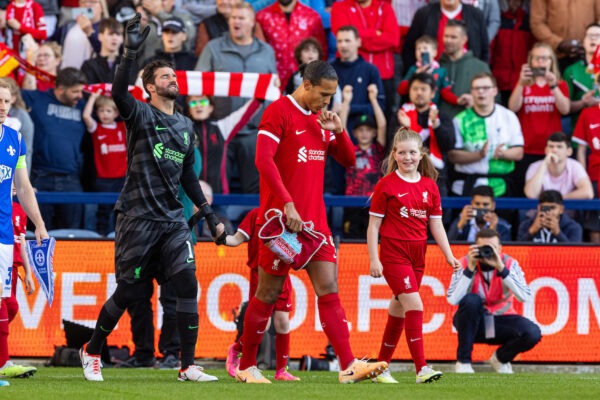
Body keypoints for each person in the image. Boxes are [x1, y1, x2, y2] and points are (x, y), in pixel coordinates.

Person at [79, 13, 225, 383]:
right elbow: (115, 94)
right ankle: (92, 349)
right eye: (165, 78)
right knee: (130, 291)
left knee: (187, 283)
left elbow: (188, 174)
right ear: (149, 87)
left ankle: (186, 366)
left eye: (174, 77)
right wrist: (130, 51)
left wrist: (208, 214)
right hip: (137, 217)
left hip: (173, 220)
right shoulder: (139, 113)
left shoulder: (185, 124)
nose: (173, 81)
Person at [235, 60, 387, 383]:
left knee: (329, 288)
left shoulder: (321, 119)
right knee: (267, 293)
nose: (327, 102)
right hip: (282, 222)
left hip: (315, 224)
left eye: (331, 96)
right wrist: (287, 203)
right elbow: (262, 160)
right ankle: (247, 366)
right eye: (323, 94)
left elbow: (347, 159)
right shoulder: (279, 111)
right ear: (306, 85)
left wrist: (338, 130)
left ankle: (348, 366)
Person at [367, 127, 461, 384]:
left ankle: (380, 368)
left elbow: (436, 224)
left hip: (418, 255)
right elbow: (373, 226)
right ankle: (421, 368)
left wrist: (449, 255)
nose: (407, 157)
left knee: (398, 310)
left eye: (412, 152)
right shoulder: (385, 185)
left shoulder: (430, 186)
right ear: (394, 155)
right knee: (415, 305)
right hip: (393, 254)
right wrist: (374, 259)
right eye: (402, 153)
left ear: (420, 155)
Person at [196, 1, 277, 194]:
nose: (236, 22)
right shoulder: (213, 48)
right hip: (221, 131)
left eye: (241, 18)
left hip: (255, 132)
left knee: (257, 190)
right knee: (216, 189)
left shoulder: (267, 51)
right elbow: (198, 87)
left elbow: (274, 90)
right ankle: (217, 225)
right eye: (233, 18)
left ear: (252, 23)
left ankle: (256, 224)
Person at [0, 78, 48, 385]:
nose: (2, 107)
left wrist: (39, 224)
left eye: (6, 101)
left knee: (4, 302)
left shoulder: (14, 138)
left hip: (3, 235)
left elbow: (24, 186)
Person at [447, 228, 541, 374]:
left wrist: (501, 267)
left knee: (533, 333)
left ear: (500, 249)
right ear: (474, 248)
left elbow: (524, 297)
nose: (488, 252)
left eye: (492, 248)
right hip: (473, 323)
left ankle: (500, 358)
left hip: (500, 322)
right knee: (471, 300)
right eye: (484, 248)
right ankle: (463, 362)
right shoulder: (464, 262)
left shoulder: (509, 263)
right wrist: (470, 268)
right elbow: (453, 300)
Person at [224, 207, 299, 381]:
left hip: (282, 273)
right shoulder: (255, 214)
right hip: (261, 273)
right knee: (262, 325)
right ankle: (236, 349)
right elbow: (236, 239)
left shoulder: (291, 214)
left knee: (282, 322)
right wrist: (222, 238)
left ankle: (281, 371)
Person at [22, 67, 87, 230]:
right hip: (40, 177)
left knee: (72, 236)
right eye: (75, 91)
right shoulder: (37, 98)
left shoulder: (82, 106)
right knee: (38, 233)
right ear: (60, 89)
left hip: (71, 179)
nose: (80, 96)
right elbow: (10, 94)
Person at [508, 43, 570, 194]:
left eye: (544, 58)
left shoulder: (560, 84)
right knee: (526, 191)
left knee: (549, 191)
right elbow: (513, 108)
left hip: (552, 148)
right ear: (530, 61)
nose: (541, 62)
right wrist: (521, 83)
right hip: (527, 147)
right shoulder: (523, 83)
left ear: (551, 61)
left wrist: (553, 86)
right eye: (537, 58)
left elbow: (565, 109)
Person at [448, 72, 524, 197]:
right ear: (471, 92)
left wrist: (502, 154)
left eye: (485, 88)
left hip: (501, 187)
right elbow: (453, 156)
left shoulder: (508, 116)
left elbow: (519, 152)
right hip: (467, 188)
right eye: (476, 88)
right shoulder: (459, 119)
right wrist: (479, 155)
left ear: (495, 91)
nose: (481, 92)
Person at [330, 0, 399, 116]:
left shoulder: (385, 7)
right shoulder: (339, 7)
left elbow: (393, 39)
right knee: (345, 118)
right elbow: (343, 35)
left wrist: (361, 39)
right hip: (348, 71)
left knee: (383, 118)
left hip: (383, 74)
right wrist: (374, 33)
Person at [188, 95, 260, 195]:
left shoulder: (222, 127)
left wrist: (262, 93)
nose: (198, 106)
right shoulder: (183, 130)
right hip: (191, 196)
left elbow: (247, 111)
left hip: (219, 196)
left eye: (203, 102)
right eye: (193, 103)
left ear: (211, 108)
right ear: (189, 109)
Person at [397, 72, 455, 196]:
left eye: (423, 89)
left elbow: (449, 145)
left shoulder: (442, 116)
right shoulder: (401, 115)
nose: (419, 93)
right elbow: (393, 147)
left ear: (433, 93)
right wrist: (406, 128)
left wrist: (436, 125)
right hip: (406, 176)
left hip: (436, 177)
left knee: (438, 214)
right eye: (415, 89)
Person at [341, 84, 386, 239]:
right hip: (352, 202)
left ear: (373, 133)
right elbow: (341, 127)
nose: (364, 133)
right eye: (360, 130)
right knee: (352, 239)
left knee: (374, 238)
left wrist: (373, 99)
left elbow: (382, 125)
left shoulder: (378, 150)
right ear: (355, 133)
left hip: (374, 203)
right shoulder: (350, 149)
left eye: (368, 130)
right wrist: (346, 101)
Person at [0, 192, 37, 379]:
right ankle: (4, 363)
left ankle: (3, 360)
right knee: (6, 306)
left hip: (12, 267)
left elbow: (22, 242)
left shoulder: (20, 211)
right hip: (2, 262)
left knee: (11, 308)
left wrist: (28, 272)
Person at [81, 92, 127, 235]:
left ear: (116, 113)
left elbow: (131, 114)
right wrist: (93, 98)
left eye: (109, 111)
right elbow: (86, 116)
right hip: (102, 180)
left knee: (119, 212)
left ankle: (116, 238)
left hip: (121, 180)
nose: (105, 114)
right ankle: (102, 239)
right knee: (102, 212)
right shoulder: (97, 129)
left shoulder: (122, 128)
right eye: (101, 110)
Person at [256, 0, 327, 89]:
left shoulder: (312, 16)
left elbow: (321, 52)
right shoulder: (262, 17)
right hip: (273, 86)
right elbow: (258, 53)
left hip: (304, 88)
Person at [403, 0, 489, 70]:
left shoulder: (476, 15)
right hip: (432, 75)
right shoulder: (424, 14)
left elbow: (484, 49)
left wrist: (479, 72)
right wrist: (417, 73)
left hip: (467, 73)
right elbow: (409, 47)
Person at [330, 25, 384, 133]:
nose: (343, 45)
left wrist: (349, 108)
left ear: (358, 42)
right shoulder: (328, 69)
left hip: (363, 137)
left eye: (347, 40)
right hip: (333, 132)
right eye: (339, 41)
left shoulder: (371, 70)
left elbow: (380, 106)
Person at [438, 19, 491, 117]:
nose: (448, 40)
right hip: (439, 126)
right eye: (446, 36)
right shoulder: (435, 66)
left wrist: (476, 101)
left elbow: (494, 98)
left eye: (453, 37)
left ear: (464, 39)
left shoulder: (480, 67)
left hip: (469, 126)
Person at [529, 0, 600, 71]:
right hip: (554, 56)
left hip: (588, 56)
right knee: (554, 81)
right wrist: (558, 44)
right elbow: (537, 23)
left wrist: (588, 44)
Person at [524, 132, 594, 200]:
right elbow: (531, 194)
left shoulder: (575, 166)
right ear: (545, 150)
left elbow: (588, 193)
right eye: (551, 146)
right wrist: (544, 164)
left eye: (559, 147)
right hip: (541, 211)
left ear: (569, 151)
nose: (554, 150)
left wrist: (557, 200)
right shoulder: (535, 166)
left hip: (566, 211)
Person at [490, 0, 534, 105]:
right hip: (500, 80)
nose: (515, 4)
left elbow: (533, 51)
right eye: (511, 1)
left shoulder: (528, 23)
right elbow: (491, 51)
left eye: (518, 1)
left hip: (522, 79)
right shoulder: (499, 21)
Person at [396, 35, 458, 107]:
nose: (421, 51)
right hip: (414, 109)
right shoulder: (413, 69)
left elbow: (445, 92)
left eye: (425, 48)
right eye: (418, 49)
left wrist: (457, 100)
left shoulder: (441, 71)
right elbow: (401, 90)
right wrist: (416, 75)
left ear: (434, 52)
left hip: (433, 110)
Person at [194, 0, 265, 57]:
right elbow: (203, 58)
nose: (224, 2)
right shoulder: (206, 25)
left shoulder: (252, 24)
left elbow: (262, 53)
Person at [563, 23, 600, 128]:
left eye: (597, 36)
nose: (593, 39)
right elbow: (564, 108)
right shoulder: (571, 71)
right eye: (589, 36)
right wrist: (583, 103)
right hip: (580, 136)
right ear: (583, 42)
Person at [573, 104, 600, 243]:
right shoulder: (588, 113)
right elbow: (581, 150)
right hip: (595, 175)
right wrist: (583, 177)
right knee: (595, 224)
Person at [81, 18, 137, 85]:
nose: (114, 38)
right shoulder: (88, 66)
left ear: (122, 39)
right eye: (110, 34)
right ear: (100, 36)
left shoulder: (130, 65)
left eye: (118, 34)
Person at [447, 185, 512, 242]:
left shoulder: (502, 226)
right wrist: (460, 225)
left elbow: (503, 251)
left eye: (485, 204)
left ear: (493, 206)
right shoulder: (462, 220)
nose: (481, 207)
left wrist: (493, 230)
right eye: (477, 204)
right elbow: (448, 244)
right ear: (472, 203)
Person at [517, 190, 583, 243]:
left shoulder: (574, 227)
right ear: (539, 208)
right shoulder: (526, 225)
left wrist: (558, 233)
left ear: (561, 209)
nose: (549, 212)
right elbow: (517, 251)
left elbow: (574, 254)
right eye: (545, 208)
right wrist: (531, 231)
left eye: (553, 208)